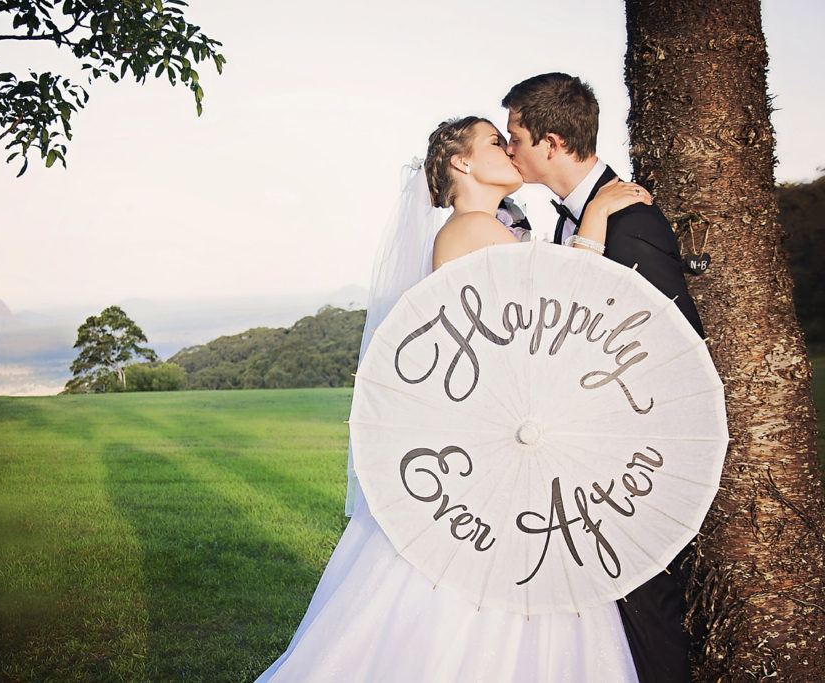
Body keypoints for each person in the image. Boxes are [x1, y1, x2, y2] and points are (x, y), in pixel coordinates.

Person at [256, 116, 651, 683]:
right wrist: (594, 219)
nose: (511, 151)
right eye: (496, 141)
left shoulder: (484, 230)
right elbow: (563, 323)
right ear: (462, 164)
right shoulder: (472, 230)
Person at [501, 72, 704, 683]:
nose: (510, 149)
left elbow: (667, 351)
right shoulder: (581, 219)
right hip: (581, 449)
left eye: (515, 136)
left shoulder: (629, 220)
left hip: (632, 458)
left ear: (553, 142)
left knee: (646, 606)